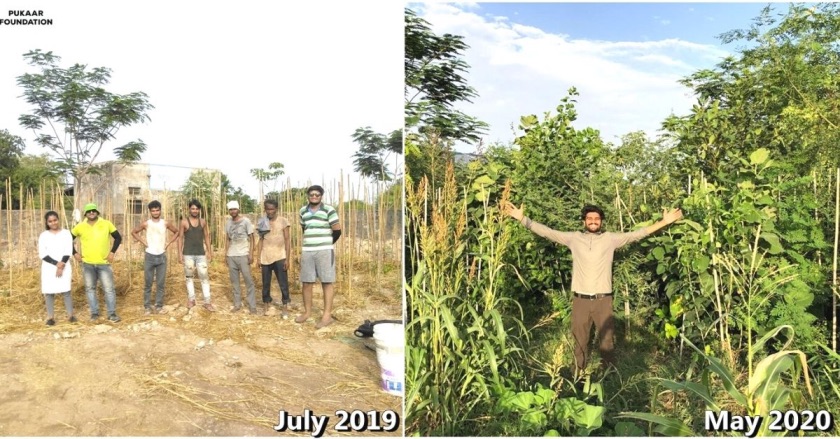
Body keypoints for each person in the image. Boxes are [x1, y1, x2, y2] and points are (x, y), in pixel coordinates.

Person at [501, 201, 682, 376]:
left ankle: (609, 373)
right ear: (584, 221)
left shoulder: (610, 239)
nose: (593, 222)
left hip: (603, 299)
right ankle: (577, 374)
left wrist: (664, 222)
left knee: (606, 340)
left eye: (597, 219)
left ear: (601, 221)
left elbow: (637, 234)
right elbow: (548, 232)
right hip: (580, 300)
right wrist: (522, 219)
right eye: (590, 218)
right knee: (579, 339)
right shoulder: (573, 239)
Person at [296, 185, 342, 329]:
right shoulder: (303, 211)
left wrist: (327, 243)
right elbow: (305, 229)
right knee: (307, 282)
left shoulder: (329, 209)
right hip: (308, 250)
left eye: (317, 194)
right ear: (308, 196)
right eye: (311, 194)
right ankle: (307, 312)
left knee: (327, 282)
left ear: (321, 196)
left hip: (324, 251)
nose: (314, 196)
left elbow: (337, 231)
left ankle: (326, 316)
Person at [72, 203, 123, 322]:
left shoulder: (106, 223)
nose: (91, 213)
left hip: (103, 263)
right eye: (89, 211)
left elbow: (118, 238)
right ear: (85, 213)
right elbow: (68, 239)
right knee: (90, 289)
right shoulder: (80, 226)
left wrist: (112, 252)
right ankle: (94, 313)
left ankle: (112, 314)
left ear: (97, 212)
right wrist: (74, 253)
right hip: (87, 264)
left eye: (93, 210)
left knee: (109, 289)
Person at [131, 200, 180, 315]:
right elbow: (134, 232)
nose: (155, 212)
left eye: (157, 210)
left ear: (160, 211)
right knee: (148, 283)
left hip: (161, 256)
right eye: (153, 210)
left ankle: (158, 306)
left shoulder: (165, 223)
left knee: (160, 283)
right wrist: (143, 241)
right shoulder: (146, 224)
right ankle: (147, 307)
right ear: (150, 212)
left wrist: (169, 243)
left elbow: (176, 232)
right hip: (149, 256)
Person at [39, 211, 76, 325]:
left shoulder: (66, 233)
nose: (53, 223)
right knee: (49, 292)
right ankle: (50, 317)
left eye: (55, 220)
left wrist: (61, 265)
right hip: (49, 267)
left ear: (58, 220)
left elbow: (68, 250)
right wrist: (56, 264)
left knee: (66, 290)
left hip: (64, 266)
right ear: (47, 222)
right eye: (50, 221)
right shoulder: (43, 235)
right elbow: (42, 253)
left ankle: (71, 315)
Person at [257, 199, 292, 318]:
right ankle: (266, 304)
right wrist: (258, 257)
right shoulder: (262, 221)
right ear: (265, 209)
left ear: (276, 209)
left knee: (283, 283)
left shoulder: (283, 221)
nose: (270, 211)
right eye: (267, 209)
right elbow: (261, 240)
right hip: (266, 256)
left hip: (280, 255)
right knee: (265, 283)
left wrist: (287, 258)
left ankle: (285, 305)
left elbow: (287, 240)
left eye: (272, 209)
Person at [179, 199, 215, 311]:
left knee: (204, 277)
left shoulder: (203, 222)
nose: (195, 210)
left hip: (200, 254)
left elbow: (207, 237)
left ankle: (207, 302)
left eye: (197, 209)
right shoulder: (184, 222)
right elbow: (180, 238)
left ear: (199, 210)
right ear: (189, 209)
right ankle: (191, 299)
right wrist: (179, 254)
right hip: (188, 254)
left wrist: (209, 251)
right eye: (192, 208)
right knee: (189, 277)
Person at [224, 200, 257, 314]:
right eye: (231, 209)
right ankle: (237, 304)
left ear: (238, 209)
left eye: (234, 209)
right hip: (231, 255)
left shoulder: (246, 221)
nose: (233, 211)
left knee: (248, 281)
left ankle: (252, 306)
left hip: (243, 255)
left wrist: (251, 253)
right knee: (235, 282)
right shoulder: (228, 223)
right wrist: (226, 254)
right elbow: (228, 239)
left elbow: (252, 238)